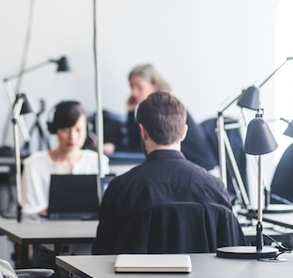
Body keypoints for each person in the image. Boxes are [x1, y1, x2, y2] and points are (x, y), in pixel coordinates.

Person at [93, 91, 230, 255]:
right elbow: (230, 254)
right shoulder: (215, 187)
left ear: (143, 132)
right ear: (184, 132)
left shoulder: (120, 188)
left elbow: (101, 256)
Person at [103, 64, 217, 172]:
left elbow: (150, 145)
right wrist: (130, 112)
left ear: (153, 86)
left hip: (201, 168)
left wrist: (116, 148)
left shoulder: (167, 110)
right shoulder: (150, 110)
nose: (134, 93)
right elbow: (138, 143)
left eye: (139, 87)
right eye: (132, 87)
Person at [21, 100, 110, 215]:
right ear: (54, 130)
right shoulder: (33, 165)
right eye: (65, 130)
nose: (72, 137)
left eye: (78, 130)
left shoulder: (98, 162)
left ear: (87, 129)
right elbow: (27, 210)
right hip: (44, 230)